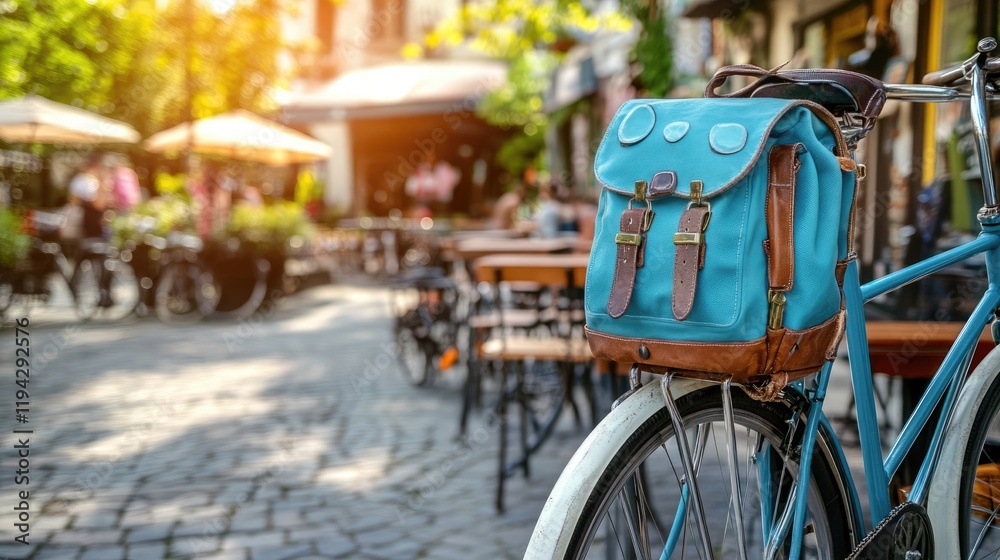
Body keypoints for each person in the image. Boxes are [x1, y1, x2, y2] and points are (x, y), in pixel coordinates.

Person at [69, 152, 110, 240]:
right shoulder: (84, 181)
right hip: (85, 223)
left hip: (89, 223)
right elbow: (98, 204)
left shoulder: (85, 180)